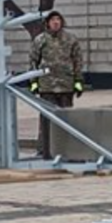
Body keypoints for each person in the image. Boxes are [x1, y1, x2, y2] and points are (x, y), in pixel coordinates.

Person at [28, 11, 85, 158]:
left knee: (66, 119)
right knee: (46, 120)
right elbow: (33, 61)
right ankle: (45, 151)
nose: (56, 22)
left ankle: (65, 150)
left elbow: (78, 60)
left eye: (58, 19)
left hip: (66, 85)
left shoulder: (71, 39)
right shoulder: (40, 40)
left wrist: (78, 81)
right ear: (47, 23)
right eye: (53, 20)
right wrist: (34, 83)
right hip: (46, 86)